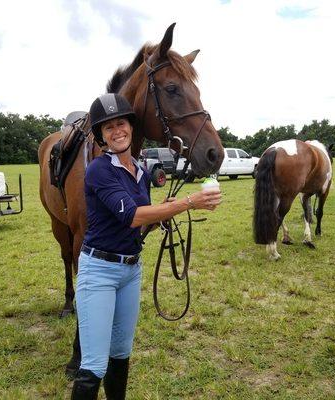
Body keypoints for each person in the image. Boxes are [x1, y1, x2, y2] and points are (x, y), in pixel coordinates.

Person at [71, 93, 222, 399]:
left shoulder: (140, 171)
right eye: (108, 127)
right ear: (101, 135)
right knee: (94, 365)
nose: (117, 131)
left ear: (131, 126)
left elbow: (143, 222)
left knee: (121, 353)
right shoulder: (99, 170)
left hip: (130, 271)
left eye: (121, 123)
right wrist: (188, 203)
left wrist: (161, 216)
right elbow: (132, 215)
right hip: (99, 272)